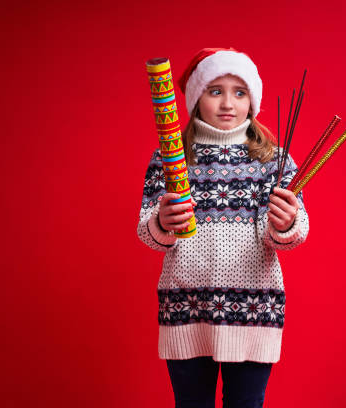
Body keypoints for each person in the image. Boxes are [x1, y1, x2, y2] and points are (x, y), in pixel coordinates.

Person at [136, 47, 309, 408]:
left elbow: (291, 234)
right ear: (196, 99)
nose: (228, 102)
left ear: (253, 101)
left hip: (253, 312)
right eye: (215, 91)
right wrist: (161, 224)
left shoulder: (273, 161)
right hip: (185, 310)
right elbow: (147, 232)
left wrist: (286, 222)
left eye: (239, 92)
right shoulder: (170, 159)